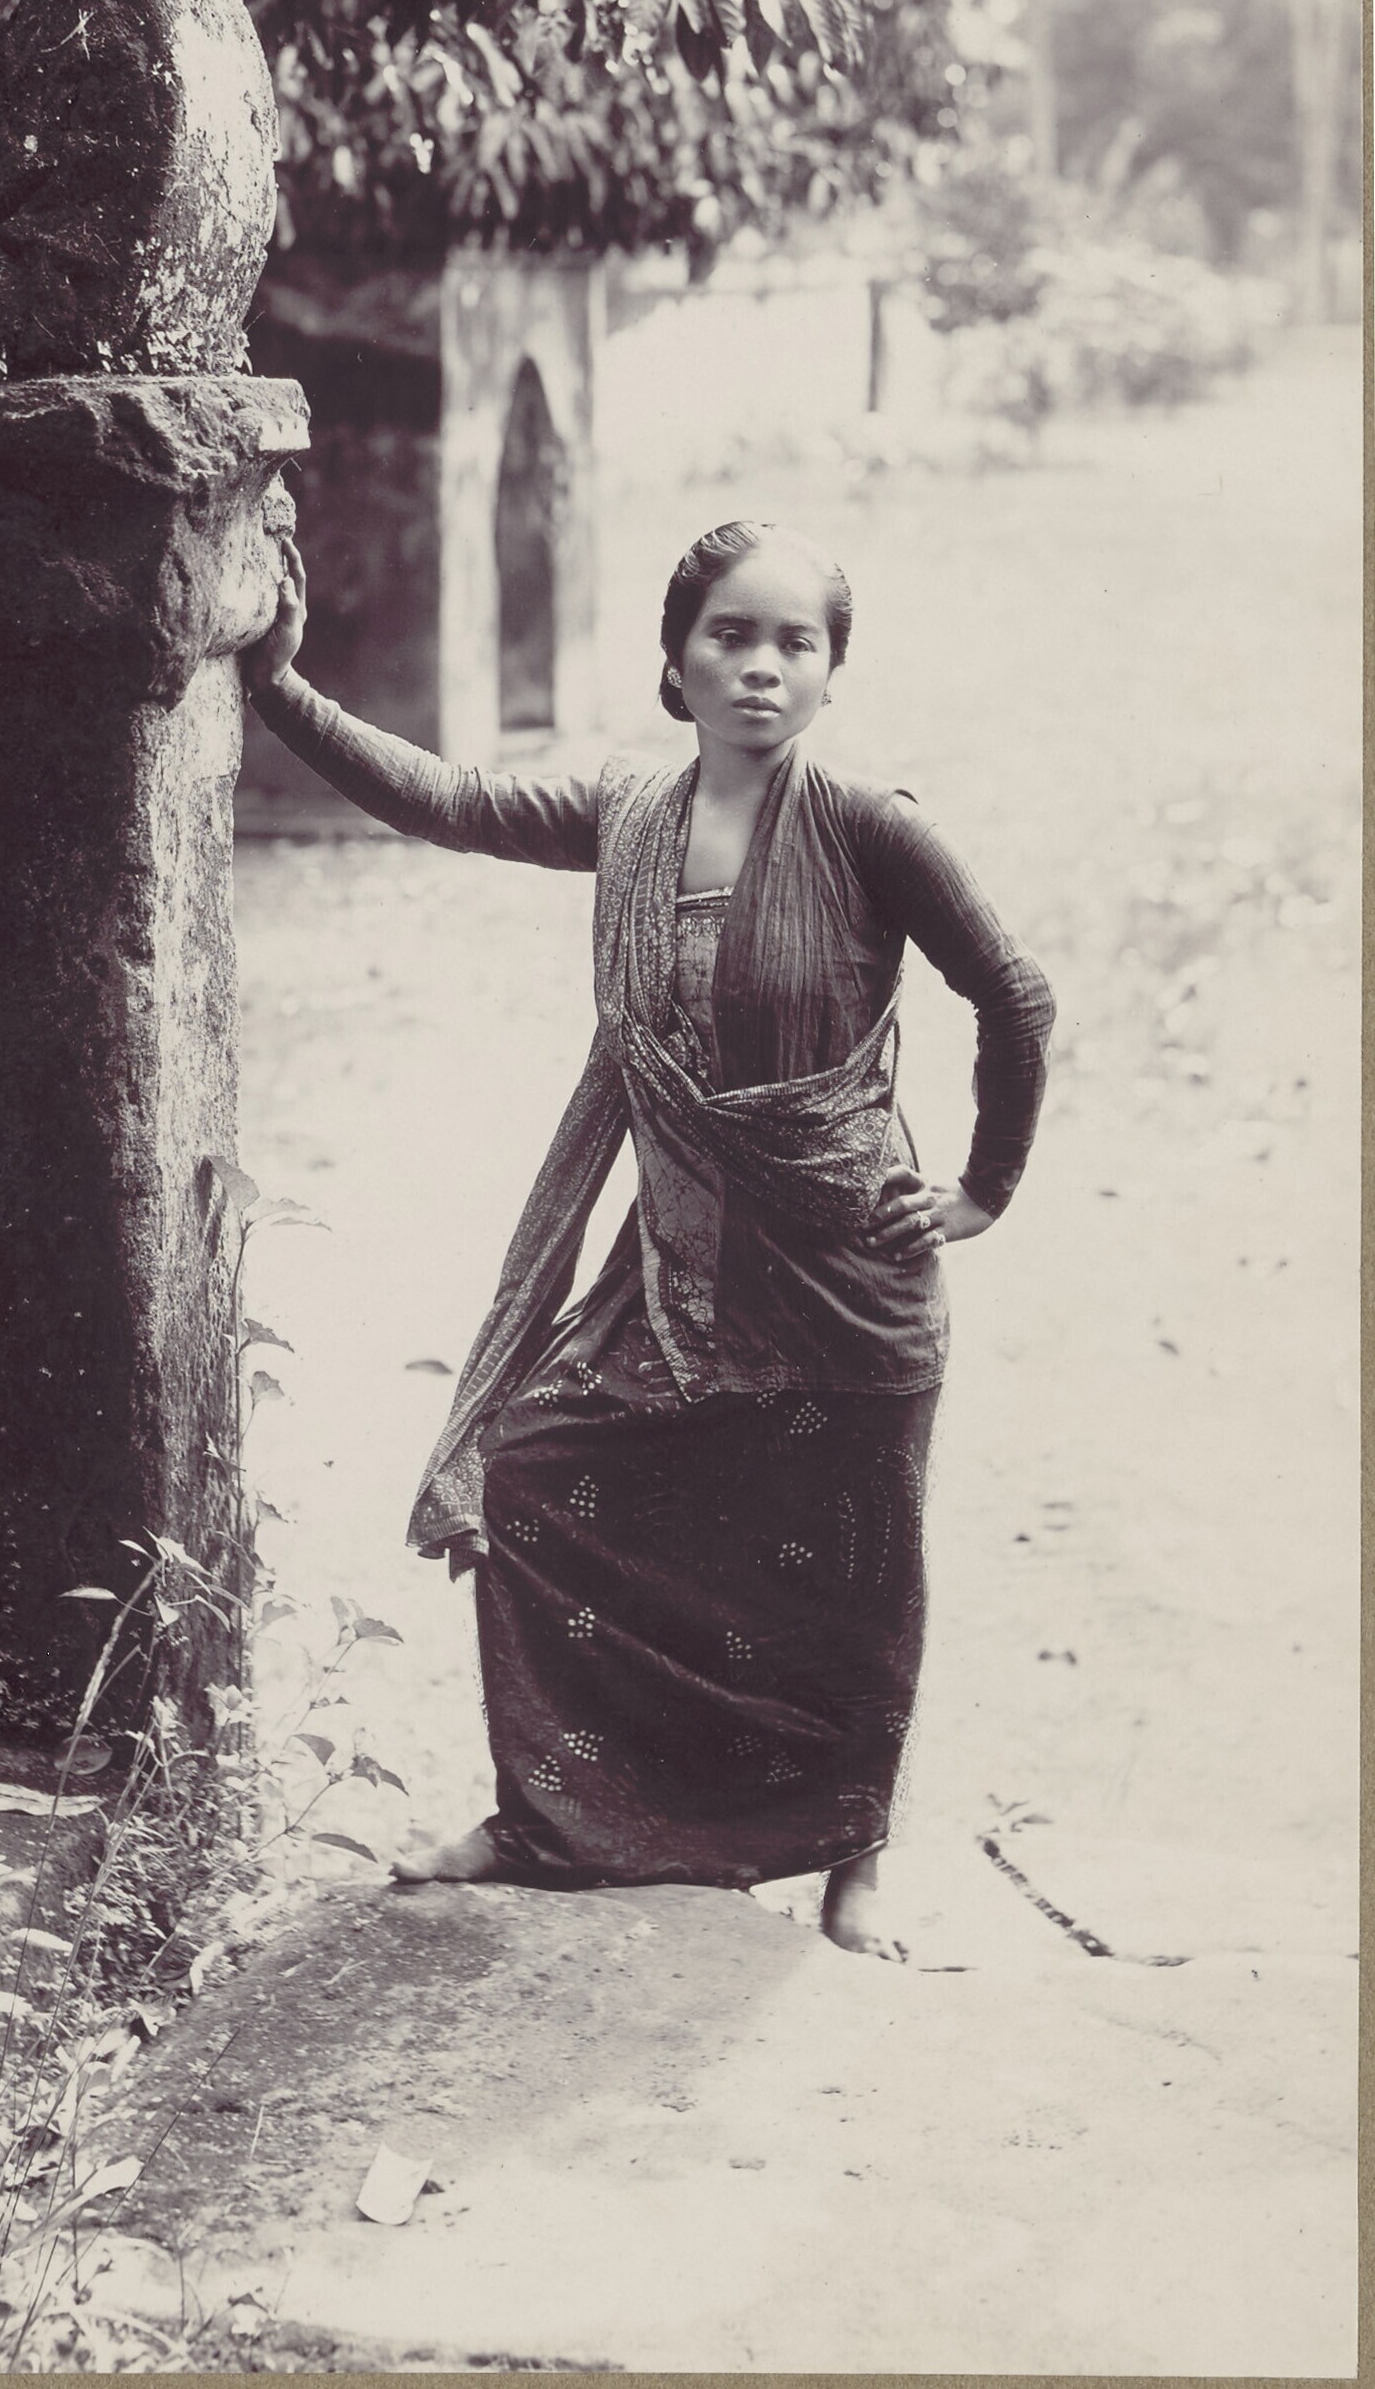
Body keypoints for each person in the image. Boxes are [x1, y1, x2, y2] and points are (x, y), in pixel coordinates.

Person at [242, 518, 1053, 1958]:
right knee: (533, 1471)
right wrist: (280, 688)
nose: (762, 667)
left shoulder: (872, 829)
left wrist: (985, 1189)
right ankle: (552, 1818)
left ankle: (853, 1856)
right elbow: (451, 799)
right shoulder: (630, 815)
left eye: (797, 643)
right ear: (677, 660)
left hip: (847, 1279)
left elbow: (1016, 996)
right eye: (731, 636)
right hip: (684, 1269)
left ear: (832, 672)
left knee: (849, 1582)